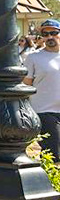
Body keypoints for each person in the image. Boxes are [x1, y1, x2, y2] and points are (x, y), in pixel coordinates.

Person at [23, 19, 60, 158]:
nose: (49, 37)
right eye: (45, 34)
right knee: (54, 153)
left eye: (54, 33)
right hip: (44, 111)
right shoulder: (33, 57)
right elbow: (26, 85)